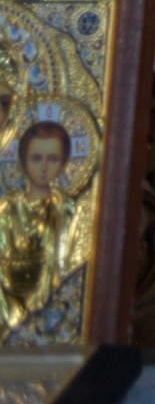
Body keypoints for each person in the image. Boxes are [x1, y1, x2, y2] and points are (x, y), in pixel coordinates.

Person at [0, 120, 78, 330]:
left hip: (51, 302)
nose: (44, 167)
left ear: (63, 163)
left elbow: (69, 259)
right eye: (36, 158)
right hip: (8, 298)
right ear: (23, 162)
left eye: (52, 159)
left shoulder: (67, 209)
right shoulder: (7, 209)